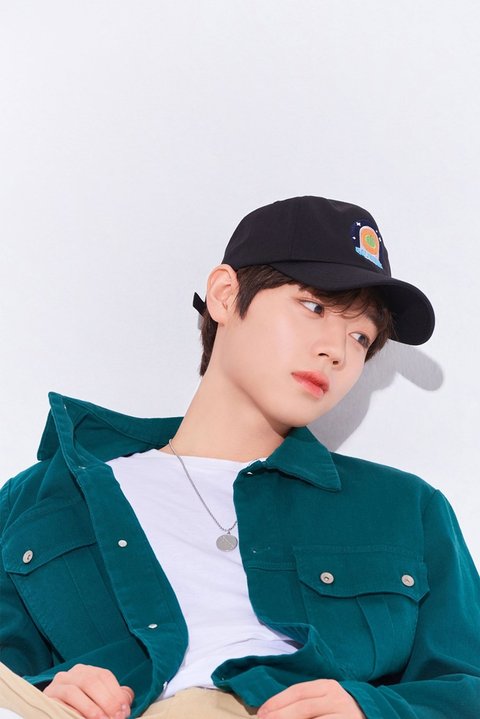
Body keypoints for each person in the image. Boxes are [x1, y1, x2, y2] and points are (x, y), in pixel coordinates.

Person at [0, 196, 479, 719]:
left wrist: (371, 708)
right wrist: (50, 688)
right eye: (314, 307)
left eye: (360, 336)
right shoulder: (43, 498)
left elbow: (468, 686)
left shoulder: (406, 509)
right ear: (226, 296)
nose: (337, 351)